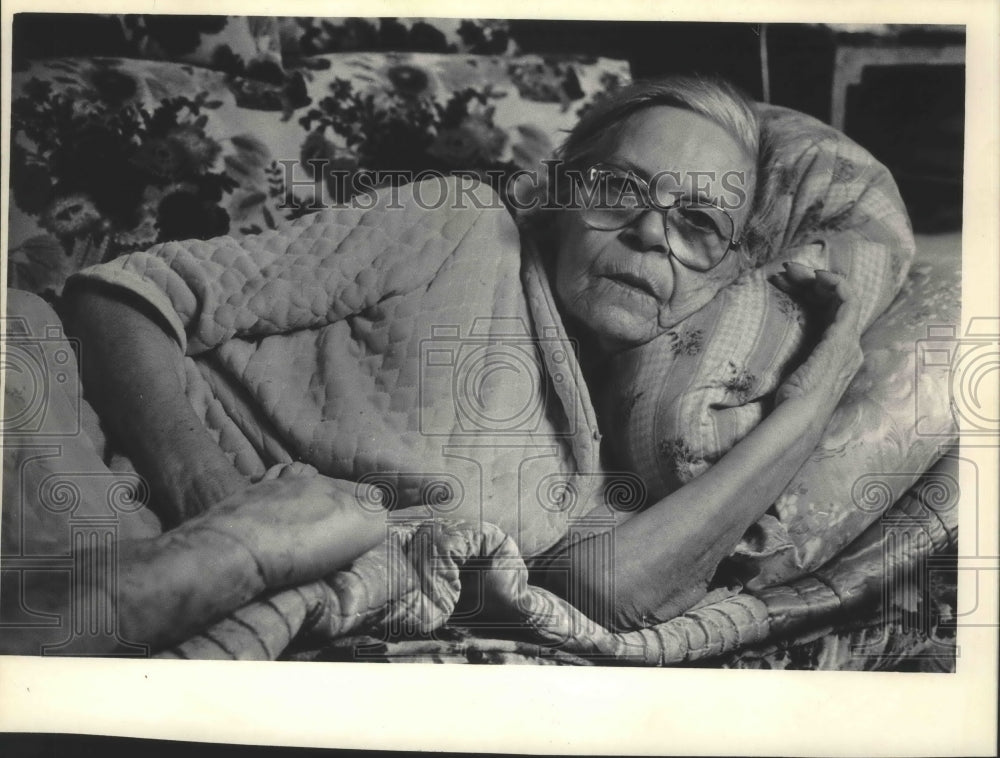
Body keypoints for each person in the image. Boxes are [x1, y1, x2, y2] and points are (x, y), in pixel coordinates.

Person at [3, 76, 863, 654]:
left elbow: (605, 590)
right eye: (617, 190)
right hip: (66, 417)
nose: (649, 233)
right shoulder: (459, 225)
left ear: (727, 272)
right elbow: (119, 300)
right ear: (558, 190)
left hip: (181, 569)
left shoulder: (635, 439)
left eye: (698, 224)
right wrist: (217, 510)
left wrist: (812, 400)